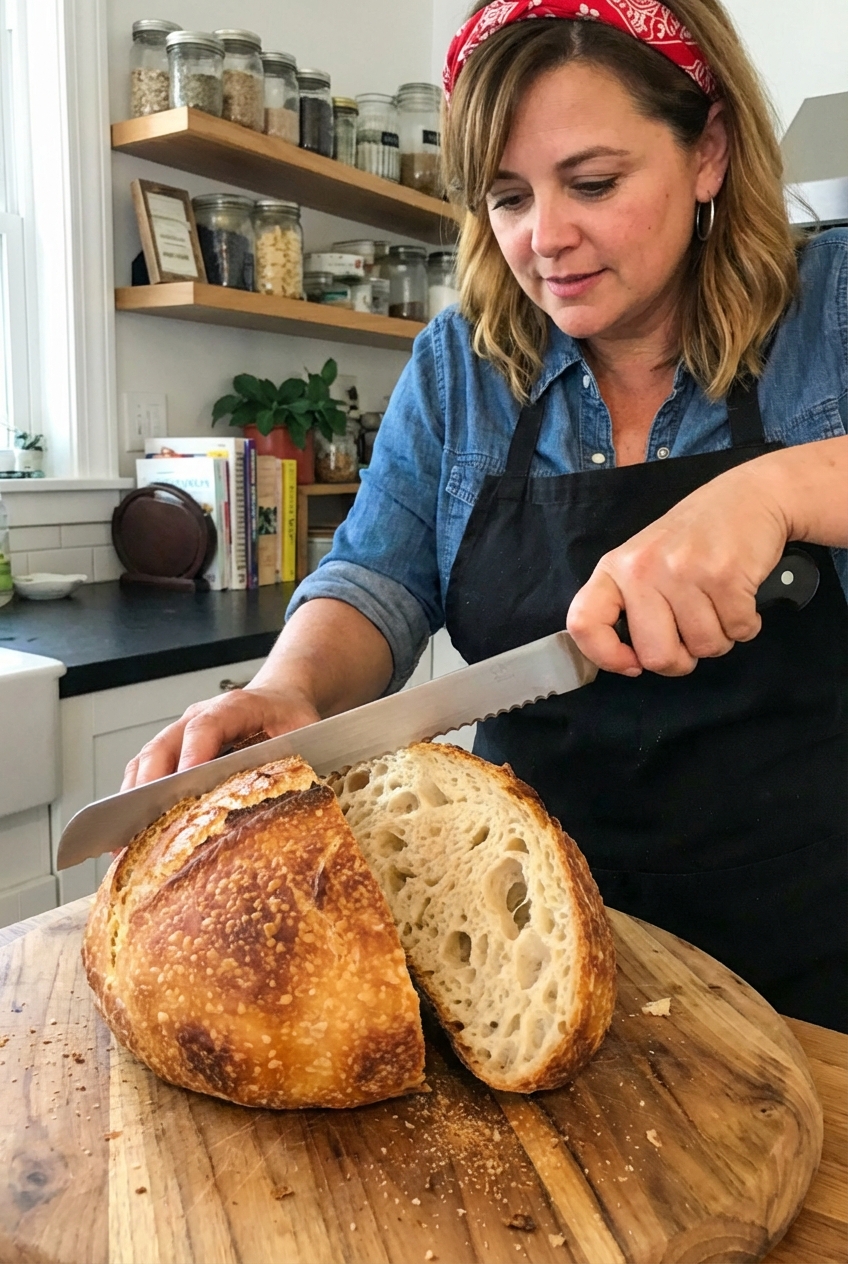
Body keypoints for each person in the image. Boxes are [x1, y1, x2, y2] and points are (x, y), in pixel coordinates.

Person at [124, 0, 848, 1030]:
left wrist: (772, 490)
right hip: (514, 943)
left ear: (708, 152)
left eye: (591, 183)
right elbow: (376, 575)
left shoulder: (831, 305)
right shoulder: (461, 365)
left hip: (802, 952)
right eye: (506, 198)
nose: (542, 239)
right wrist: (292, 690)